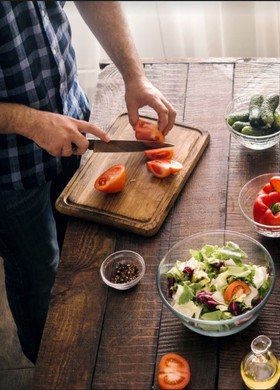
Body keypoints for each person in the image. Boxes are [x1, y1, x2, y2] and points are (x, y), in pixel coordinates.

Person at [0, 2, 176, 363]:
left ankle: (84, 342)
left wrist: (134, 74)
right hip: (8, 170)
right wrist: (29, 122)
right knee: (37, 276)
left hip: (70, 121)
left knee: (80, 254)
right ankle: (48, 365)